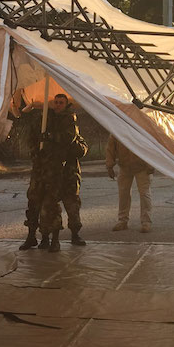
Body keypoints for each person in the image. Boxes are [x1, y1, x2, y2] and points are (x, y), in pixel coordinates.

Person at [19, 93, 88, 252]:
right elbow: (32, 138)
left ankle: (68, 235)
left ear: (66, 104)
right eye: (55, 102)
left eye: (61, 103)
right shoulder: (43, 120)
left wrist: (51, 137)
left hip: (61, 171)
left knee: (63, 205)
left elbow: (70, 140)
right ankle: (34, 236)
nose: (57, 105)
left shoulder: (70, 121)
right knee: (35, 202)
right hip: (41, 168)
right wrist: (36, 150)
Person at [105, 134, 153, 233]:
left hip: (142, 167)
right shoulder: (117, 129)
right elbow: (110, 147)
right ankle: (122, 220)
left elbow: (149, 145)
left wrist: (150, 164)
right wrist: (109, 165)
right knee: (123, 194)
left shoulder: (139, 126)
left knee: (144, 194)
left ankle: (146, 222)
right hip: (125, 166)